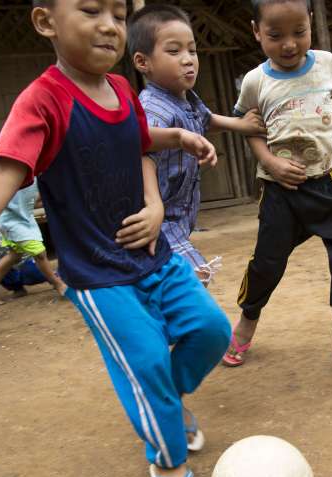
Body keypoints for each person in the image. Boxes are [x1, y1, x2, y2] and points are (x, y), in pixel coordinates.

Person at [0, 0, 229, 477]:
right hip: (99, 276)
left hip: (154, 256)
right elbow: (6, 167)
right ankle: (165, 456)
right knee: (144, 362)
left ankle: (165, 402)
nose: (109, 26)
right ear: (46, 22)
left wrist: (178, 137)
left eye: (118, 14)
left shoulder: (122, 89)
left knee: (211, 331)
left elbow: (138, 140)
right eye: (91, 10)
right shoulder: (42, 101)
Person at [222, 0, 332, 367]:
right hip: (280, 192)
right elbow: (250, 129)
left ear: (310, 26)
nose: (289, 44)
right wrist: (270, 161)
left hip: (326, 181)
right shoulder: (256, 81)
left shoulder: (326, 64)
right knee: (267, 265)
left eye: (299, 33)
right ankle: (244, 327)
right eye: (275, 36)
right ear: (257, 32)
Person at [129, 5, 265, 285]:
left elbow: (205, 119)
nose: (188, 60)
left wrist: (240, 125)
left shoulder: (186, 98)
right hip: (160, 221)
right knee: (195, 280)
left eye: (192, 50)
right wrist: (154, 206)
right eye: (174, 51)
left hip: (178, 221)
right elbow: (142, 146)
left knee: (176, 289)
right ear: (143, 62)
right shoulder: (153, 107)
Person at [0, 181, 66, 305]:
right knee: (39, 253)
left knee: (14, 254)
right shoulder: (13, 175)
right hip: (12, 221)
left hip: (21, 219)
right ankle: (58, 284)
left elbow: (33, 199)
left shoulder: (34, 175)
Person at [0, 231, 51, 305]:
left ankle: (55, 278)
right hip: (18, 267)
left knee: (29, 274)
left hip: (28, 264)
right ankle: (18, 289)